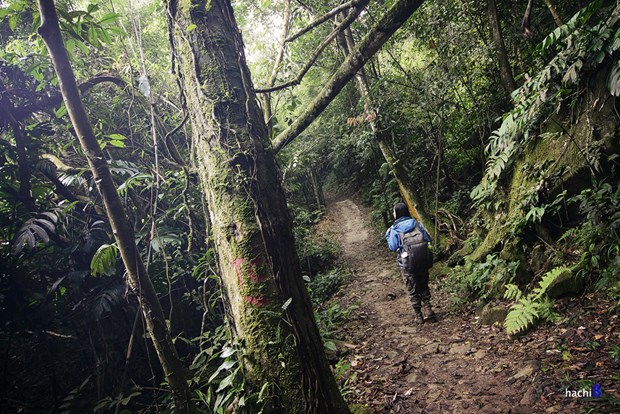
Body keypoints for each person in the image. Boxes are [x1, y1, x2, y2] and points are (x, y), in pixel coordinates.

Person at [385, 202, 436, 324]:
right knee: (423, 285)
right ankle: (429, 309)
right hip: (422, 261)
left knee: (412, 288)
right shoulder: (416, 223)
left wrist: (388, 236)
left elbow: (392, 247)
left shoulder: (394, 229)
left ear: (396, 213)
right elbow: (427, 239)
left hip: (406, 264)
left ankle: (418, 315)